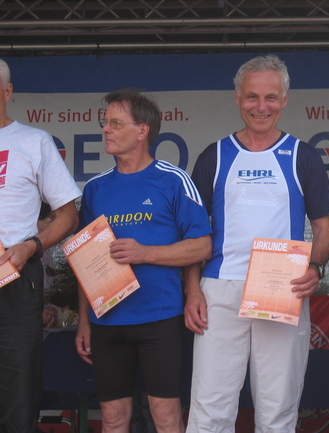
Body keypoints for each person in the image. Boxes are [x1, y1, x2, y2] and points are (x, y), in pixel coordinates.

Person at [184, 54, 329, 433]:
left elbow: (324, 229)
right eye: (252, 97)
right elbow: (192, 234)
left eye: (270, 97)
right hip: (220, 290)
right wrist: (192, 290)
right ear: (237, 98)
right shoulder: (214, 156)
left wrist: (315, 268)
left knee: (277, 410)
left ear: (285, 99)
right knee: (209, 409)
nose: (261, 106)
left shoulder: (303, 156)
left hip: (282, 289)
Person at [74, 89, 212, 433]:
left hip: (159, 318)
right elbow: (84, 260)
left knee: (165, 417)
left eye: (115, 123)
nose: (106, 129)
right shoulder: (95, 188)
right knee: (112, 418)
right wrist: (84, 320)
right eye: (105, 122)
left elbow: (202, 246)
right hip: (107, 321)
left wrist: (145, 253)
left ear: (142, 130)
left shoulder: (173, 180)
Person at [0, 58, 81, 433]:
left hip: (15, 276)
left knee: (17, 390)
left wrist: (31, 245)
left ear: (8, 92)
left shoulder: (33, 141)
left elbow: (68, 215)